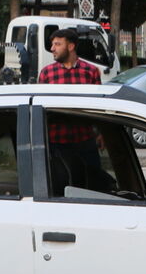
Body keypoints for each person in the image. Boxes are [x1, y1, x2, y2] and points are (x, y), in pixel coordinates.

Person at [37, 28, 103, 193]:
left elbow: (99, 107)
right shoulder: (46, 74)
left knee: (92, 186)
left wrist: (102, 133)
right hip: (56, 143)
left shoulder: (91, 72)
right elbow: (40, 110)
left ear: (71, 46)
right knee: (59, 188)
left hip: (85, 140)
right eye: (52, 44)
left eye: (58, 44)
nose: (52, 48)